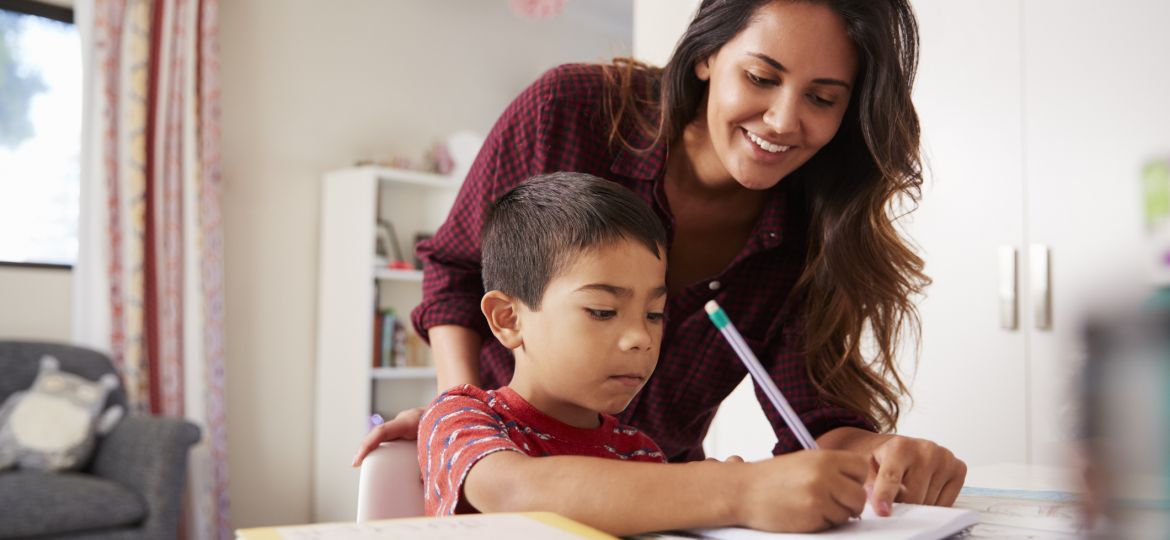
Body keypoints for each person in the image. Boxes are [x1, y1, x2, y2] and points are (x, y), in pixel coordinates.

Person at [356, 0, 967, 516]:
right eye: (760, 77)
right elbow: (458, 273)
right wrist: (467, 412)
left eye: (823, 98)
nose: (784, 120)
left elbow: (813, 418)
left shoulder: (643, 456)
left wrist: (879, 455)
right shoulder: (569, 111)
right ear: (706, 56)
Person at [419, 172, 870, 535]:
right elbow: (515, 492)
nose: (640, 337)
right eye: (602, 310)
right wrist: (734, 490)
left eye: (654, 314)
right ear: (508, 319)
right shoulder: (462, 417)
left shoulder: (637, 453)